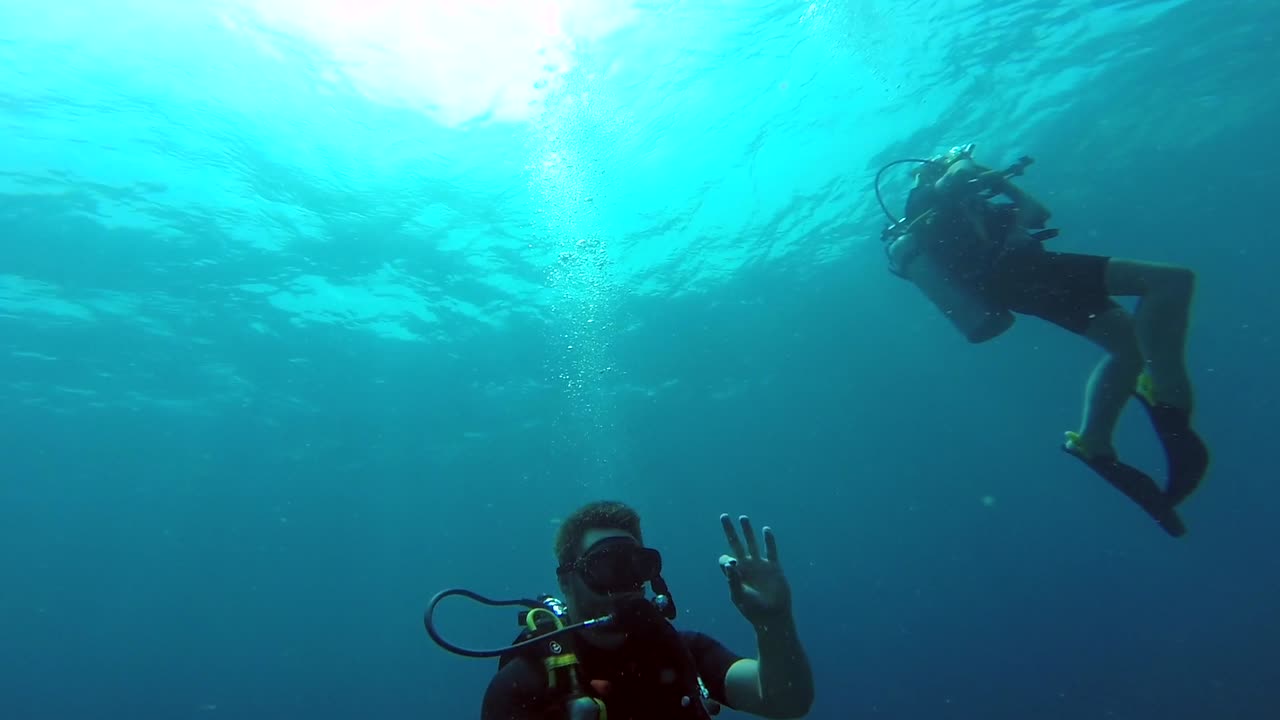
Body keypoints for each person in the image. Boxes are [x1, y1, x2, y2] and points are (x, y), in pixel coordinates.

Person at [887, 144, 1209, 538]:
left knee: (1129, 346)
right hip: (1023, 274)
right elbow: (959, 175)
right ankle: (1169, 399)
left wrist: (1001, 183)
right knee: (1171, 280)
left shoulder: (967, 202)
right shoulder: (924, 197)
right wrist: (956, 160)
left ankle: (1093, 443)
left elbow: (1038, 213)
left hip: (1026, 277)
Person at [480, 500, 814, 720]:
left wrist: (774, 622)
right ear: (567, 581)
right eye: (608, 566)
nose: (626, 583)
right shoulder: (525, 683)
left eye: (636, 565)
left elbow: (786, 701)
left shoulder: (683, 651)